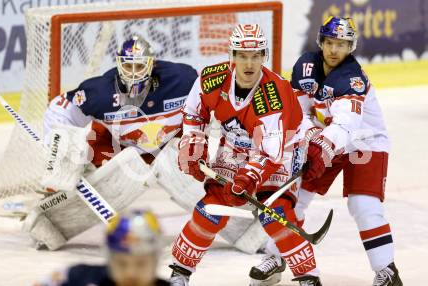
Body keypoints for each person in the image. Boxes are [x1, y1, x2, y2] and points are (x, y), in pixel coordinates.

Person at [251, 17, 403, 286]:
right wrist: (311, 137)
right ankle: (276, 256)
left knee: (364, 206)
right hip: (324, 139)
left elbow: (346, 126)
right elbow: (299, 111)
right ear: (321, 42)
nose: (334, 50)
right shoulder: (305, 66)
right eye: (330, 43)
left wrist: (320, 148)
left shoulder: (353, 79)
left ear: (350, 47)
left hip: (363, 143)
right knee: (294, 197)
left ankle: (387, 271)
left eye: (342, 45)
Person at [168, 24, 323, 286]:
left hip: (284, 149)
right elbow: (195, 113)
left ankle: (308, 278)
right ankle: (179, 273)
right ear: (232, 55)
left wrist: (248, 178)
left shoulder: (274, 94)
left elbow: (270, 153)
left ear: (264, 56)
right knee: (211, 209)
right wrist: (194, 147)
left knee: (275, 213)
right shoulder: (212, 78)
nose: (249, 63)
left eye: (255, 56)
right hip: (235, 147)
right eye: (242, 55)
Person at [22, 35, 198, 250]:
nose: (134, 72)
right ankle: (51, 220)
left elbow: (211, 103)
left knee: (191, 175)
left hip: (170, 142)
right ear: (118, 64)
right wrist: (60, 149)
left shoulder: (183, 80)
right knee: (104, 187)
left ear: (152, 64)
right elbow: (59, 109)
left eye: (140, 65)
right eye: (128, 65)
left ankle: (240, 215)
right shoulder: (100, 92)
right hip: (118, 145)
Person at [33, 209, 170, 286]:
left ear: (155, 261)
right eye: (121, 264)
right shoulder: (79, 278)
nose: (131, 273)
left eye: (141, 264)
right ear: (110, 260)